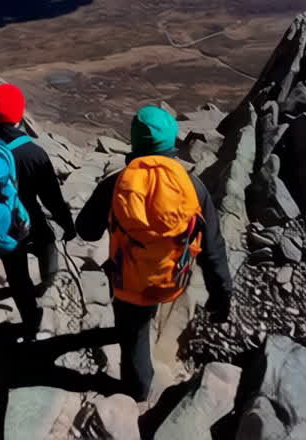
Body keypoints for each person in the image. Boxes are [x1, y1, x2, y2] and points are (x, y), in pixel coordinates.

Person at [76, 105, 232, 402]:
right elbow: (213, 247)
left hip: (128, 283)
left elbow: (87, 231)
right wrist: (221, 296)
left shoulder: (116, 184)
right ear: (172, 140)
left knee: (132, 333)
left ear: (135, 141)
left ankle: (137, 392)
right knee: (153, 309)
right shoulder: (193, 186)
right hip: (173, 278)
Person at [0, 83, 76, 336]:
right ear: (19, 114)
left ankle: (30, 317)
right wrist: (68, 225)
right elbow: (52, 199)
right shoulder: (33, 152)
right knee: (47, 241)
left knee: (16, 272)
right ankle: (47, 284)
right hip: (30, 220)